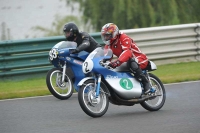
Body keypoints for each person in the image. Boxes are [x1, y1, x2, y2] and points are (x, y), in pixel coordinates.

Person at [101, 23, 150, 94]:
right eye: (105, 36)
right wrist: (102, 63)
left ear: (114, 34)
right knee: (112, 68)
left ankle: (145, 82)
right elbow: (105, 58)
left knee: (131, 62)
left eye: (108, 35)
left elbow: (127, 52)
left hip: (139, 59)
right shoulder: (108, 45)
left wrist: (117, 62)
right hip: (125, 61)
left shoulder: (123, 37)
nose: (106, 38)